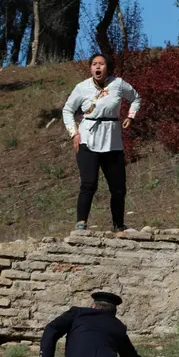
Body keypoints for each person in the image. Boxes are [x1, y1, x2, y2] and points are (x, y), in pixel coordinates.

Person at [62, 53, 140, 232]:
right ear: (90, 68)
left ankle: (118, 226)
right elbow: (68, 110)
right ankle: (81, 224)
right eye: (94, 64)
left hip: (112, 139)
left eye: (101, 64)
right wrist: (74, 133)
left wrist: (131, 116)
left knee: (118, 187)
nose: (97, 67)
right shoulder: (82, 88)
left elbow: (135, 98)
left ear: (107, 67)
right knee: (89, 183)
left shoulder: (118, 84)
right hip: (88, 138)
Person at [38, 291, 157, 357]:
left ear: (93, 306)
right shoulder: (117, 326)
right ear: (113, 313)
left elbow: (52, 328)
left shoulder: (77, 313)